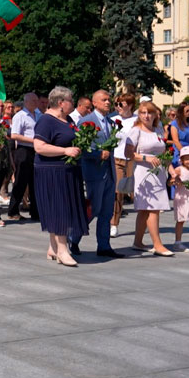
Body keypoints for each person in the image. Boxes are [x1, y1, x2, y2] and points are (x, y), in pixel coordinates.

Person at [33, 86, 88, 267]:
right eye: (71, 100)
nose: (73, 103)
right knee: (59, 209)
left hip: (68, 171)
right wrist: (65, 150)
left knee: (61, 208)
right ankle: (63, 250)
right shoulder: (46, 121)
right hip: (52, 172)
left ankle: (53, 247)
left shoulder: (67, 119)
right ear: (61, 103)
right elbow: (39, 147)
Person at [125, 102, 175, 256]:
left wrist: (172, 171)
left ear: (155, 115)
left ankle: (138, 242)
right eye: (143, 112)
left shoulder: (158, 131)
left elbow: (164, 155)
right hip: (144, 173)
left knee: (145, 210)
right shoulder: (136, 131)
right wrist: (146, 157)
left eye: (149, 113)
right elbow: (128, 153)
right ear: (139, 114)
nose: (146, 116)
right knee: (153, 209)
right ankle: (158, 244)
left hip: (158, 172)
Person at [77, 90, 123, 258]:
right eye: (104, 100)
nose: (108, 102)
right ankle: (73, 238)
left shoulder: (110, 123)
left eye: (109, 100)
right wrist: (97, 154)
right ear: (94, 103)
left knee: (106, 211)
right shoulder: (86, 122)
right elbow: (81, 147)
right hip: (94, 172)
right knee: (93, 208)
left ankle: (104, 246)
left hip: (109, 172)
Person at [7, 93, 41, 221]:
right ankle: (13, 210)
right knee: (20, 181)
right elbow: (14, 135)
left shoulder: (38, 115)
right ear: (26, 102)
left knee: (35, 182)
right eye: (34, 100)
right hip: (24, 150)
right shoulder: (20, 116)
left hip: (36, 150)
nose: (36, 103)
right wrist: (32, 140)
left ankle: (36, 211)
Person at [110, 94, 137, 237]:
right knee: (118, 191)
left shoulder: (137, 120)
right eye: (116, 104)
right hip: (117, 158)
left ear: (130, 105)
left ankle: (142, 222)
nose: (118, 107)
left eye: (121, 104)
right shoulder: (113, 120)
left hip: (133, 159)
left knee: (136, 192)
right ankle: (114, 223)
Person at [170, 102, 189, 168]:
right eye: (187, 111)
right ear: (181, 111)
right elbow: (175, 140)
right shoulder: (175, 124)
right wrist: (184, 153)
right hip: (179, 151)